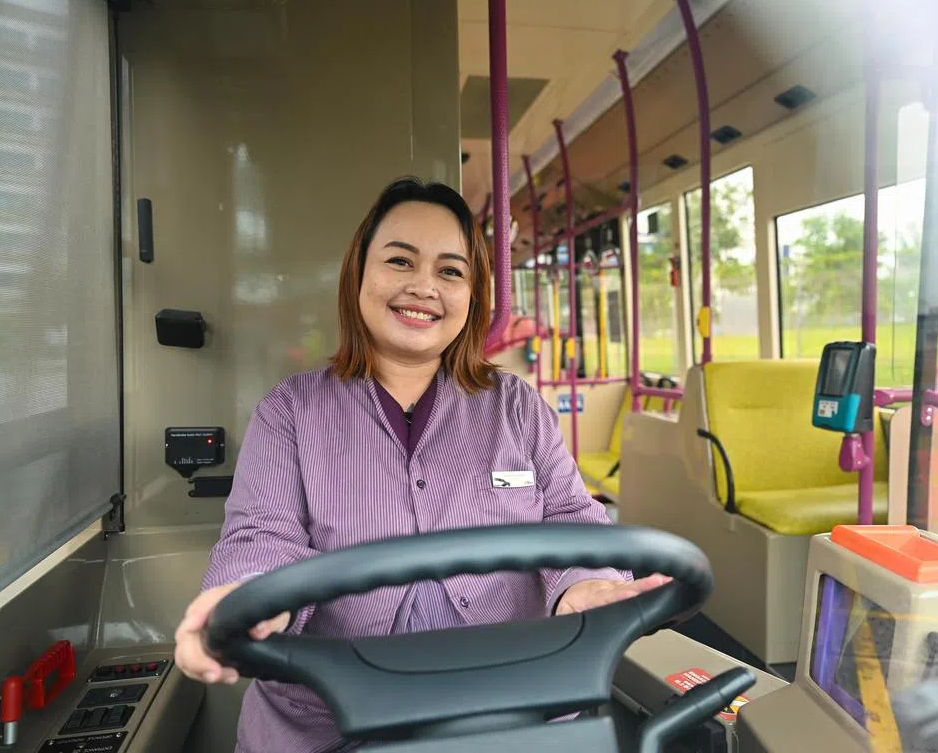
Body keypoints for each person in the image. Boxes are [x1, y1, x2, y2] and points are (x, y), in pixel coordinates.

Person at [172, 177, 669, 752]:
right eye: (400, 261)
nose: (424, 286)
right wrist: (244, 598)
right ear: (360, 274)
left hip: (511, 711)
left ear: (473, 295)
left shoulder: (518, 407)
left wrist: (588, 586)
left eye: (451, 271)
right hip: (329, 723)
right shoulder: (290, 413)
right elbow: (264, 534)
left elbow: (570, 519)